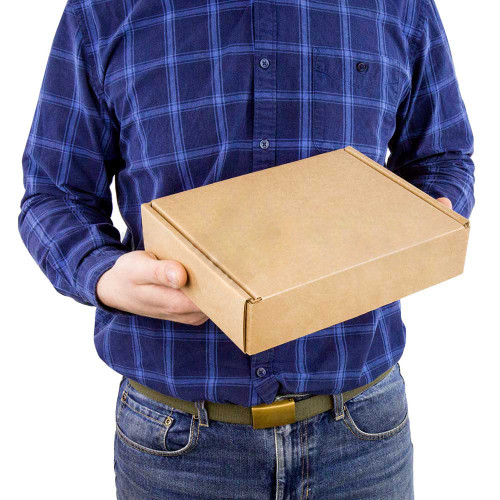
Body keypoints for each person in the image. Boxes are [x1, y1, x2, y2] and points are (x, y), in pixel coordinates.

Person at [19, 0, 474, 498]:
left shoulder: (400, 6)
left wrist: (428, 218)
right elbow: (54, 193)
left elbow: (442, 157)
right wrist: (103, 274)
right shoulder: (103, 10)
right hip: (176, 445)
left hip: (363, 434)